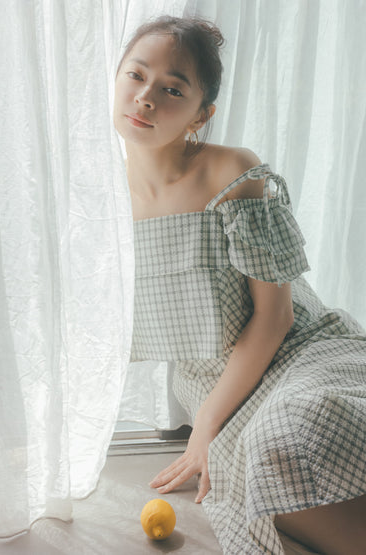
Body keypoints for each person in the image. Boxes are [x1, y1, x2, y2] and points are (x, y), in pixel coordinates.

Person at [113, 14, 366, 555]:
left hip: (301, 352)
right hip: (213, 385)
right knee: (270, 474)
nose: (146, 97)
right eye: (135, 75)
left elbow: (276, 317)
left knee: (301, 425)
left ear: (200, 115)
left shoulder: (231, 172)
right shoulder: (100, 200)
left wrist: (206, 424)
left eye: (172, 88)